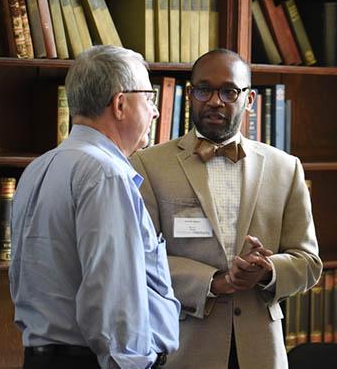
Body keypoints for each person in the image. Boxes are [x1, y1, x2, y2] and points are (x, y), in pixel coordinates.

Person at [129, 48, 322, 369]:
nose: (216, 101)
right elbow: (137, 259)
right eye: (204, 90)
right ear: (190, 95)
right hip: (185, 346)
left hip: (261, 351)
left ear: (249, 100)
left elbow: (308, 263)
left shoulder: (285, 168)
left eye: (229, 91)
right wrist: (214, 281)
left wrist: (268, 271)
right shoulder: (148, 164)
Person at [9, 45, 180, 369]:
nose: (155, 111)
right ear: (119, 104)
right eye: (149, 97)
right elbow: (113, 300)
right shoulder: (106, 175)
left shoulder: (38, 168)